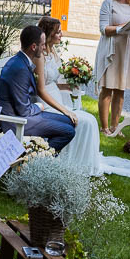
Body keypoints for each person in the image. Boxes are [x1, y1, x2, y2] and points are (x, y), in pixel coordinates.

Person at [0, 25, 77, 152]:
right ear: (34, 47)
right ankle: (37, 159)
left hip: (23, 114)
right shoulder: (20, 68)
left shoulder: (21, 61)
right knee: (68, 131)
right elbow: (24, 111)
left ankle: (41, 154)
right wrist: (39, 106)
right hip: (14, 121)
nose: (45, 47)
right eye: (43, 44)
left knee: (69, 121)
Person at [33, 17, 96, 159]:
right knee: (85, 122)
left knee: (91, 120)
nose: (61, 35)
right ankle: (69, 161)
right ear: (49, 34)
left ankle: (79, 162)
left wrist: (65, 86)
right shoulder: (39, 56)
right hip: (46, 104)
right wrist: (65, 111)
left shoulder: (52, 51)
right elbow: (40, 89)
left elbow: (50, 81)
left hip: (57, 100)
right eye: (58, 32)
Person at [93, 0, 130, 136]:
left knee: (120, 89)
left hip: (126, 51)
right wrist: (123, 27)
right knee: (108, 88)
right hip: (110, 50)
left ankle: (115, 127)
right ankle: (104, 127)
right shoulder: (108, 3)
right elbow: (103, 29)